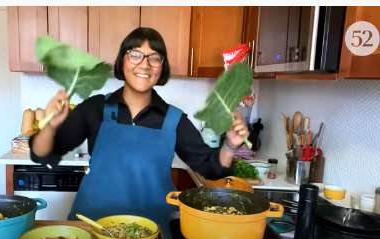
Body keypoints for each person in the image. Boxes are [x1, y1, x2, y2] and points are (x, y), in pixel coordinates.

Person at [29, 27, 249, 223]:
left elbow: (211, 168)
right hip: (92, 223)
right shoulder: (94, 108)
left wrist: (230, 145)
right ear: (122, 61)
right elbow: (44, 154)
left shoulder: (174, 119)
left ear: (161, 68)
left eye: (155, 57)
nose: (144, 64)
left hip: (153, 229)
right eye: (135, 55)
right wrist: (50, 126)